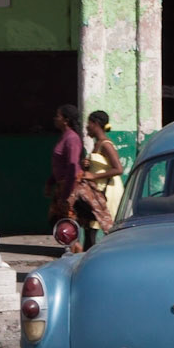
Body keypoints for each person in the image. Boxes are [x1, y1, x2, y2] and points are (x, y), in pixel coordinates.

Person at [46, 105, 85, 247]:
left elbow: (73, 167)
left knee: (70, 222)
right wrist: (50, 182)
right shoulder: (65, 137)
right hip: (61, 185)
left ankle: (75, 252)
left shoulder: (72, 139)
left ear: (66, 120)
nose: (55, 118)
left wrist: (67, 195)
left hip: (69, 187)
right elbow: (60, 165)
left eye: (58, 116)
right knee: (58, 220)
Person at [81, 110, 125, 233]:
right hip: (98, 191)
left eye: (89, 123)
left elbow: (118, 169)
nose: (87, 127)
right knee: (91, 227)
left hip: (109, 191)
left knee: (107, 228)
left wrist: (94, 175)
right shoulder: (97, 144)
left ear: (95, 124)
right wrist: (87, 164)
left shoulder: (106, 145)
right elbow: (101, 164)